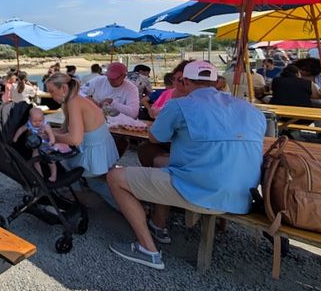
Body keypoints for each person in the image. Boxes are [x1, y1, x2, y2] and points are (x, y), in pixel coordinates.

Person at [106, 61, 266, 270]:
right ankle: (158, 223)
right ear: (217, 82)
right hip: (245, 196)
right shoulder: (251, 109)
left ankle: (148, 249)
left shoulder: (179, 105)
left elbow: (155, 137)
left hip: (204, 192)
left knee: (115, 177)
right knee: (160, 162)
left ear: (186, 81)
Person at [45, 73, 119, 207]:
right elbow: (64, 130)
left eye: (52, 91)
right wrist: (47, 131)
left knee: (66, 166)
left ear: (63, 88)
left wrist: (50, 136)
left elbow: (75, 139)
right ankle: (82, 194)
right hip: (101, 146)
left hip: (95, 150)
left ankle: (82, 197)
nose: (51, 95)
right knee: (92, 179)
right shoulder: (74, 99)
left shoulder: (73, 103)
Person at [12, 107, 71, 183]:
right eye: (34, 121)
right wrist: (15, 137)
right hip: (36, 147)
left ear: (43, 118)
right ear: (30, 118)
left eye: (40, 120)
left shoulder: (45, 125)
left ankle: (54, 175)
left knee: (50, 160)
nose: (37, 123)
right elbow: (21, 130)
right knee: (35, 160)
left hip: (46, 145)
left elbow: (50, 134)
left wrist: (52, 141)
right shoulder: (29, 124)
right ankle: (40, 175)